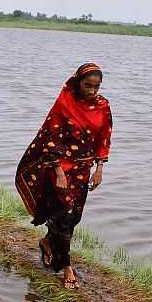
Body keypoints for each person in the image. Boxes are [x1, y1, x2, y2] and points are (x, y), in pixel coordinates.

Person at [15, 62, 112, 289]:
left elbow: (104, 137)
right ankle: (66, 266)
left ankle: (48, 242)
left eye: (96, 87)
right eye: (88, 86)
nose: (92, 91)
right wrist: (57, 171)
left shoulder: (103, 106)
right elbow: (51, 138)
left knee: (74, 216)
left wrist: (99, 168)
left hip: (83, 169)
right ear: (78, 83)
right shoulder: (65, 104)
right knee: (65, 216)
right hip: (61, 168)